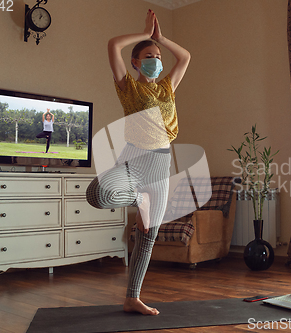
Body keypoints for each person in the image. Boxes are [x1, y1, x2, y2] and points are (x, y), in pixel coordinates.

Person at [86, 9, 190, 316]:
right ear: (136, 62)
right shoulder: (128, 87)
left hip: (161, 164)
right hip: (135, 159)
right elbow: (112, 45)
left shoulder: (167, 86)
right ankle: (137, 198)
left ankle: (132, 297)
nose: (156, 59)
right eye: (149, 54)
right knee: (99, 193)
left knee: (148, 236)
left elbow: (184, 57)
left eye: (158, 55)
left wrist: (160, 38)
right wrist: (145, 33)